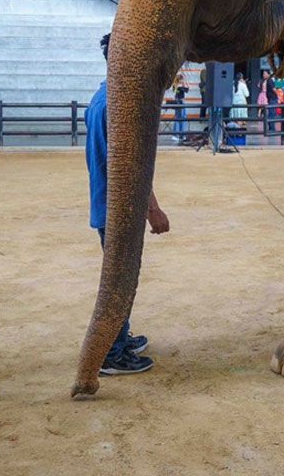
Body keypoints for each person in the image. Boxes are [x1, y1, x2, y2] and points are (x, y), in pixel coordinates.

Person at [85, 33, 170, 376]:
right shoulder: (116, 106)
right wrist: (154, 210)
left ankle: (120, 338)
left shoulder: (100, 96)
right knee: (121, 277)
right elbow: (130, 166)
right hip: (117, 207)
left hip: (106, 203)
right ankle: (112, 353)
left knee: (122, 273)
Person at [171, 72, 189, 141]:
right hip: (179, 102)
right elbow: (177, 90)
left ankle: (181, 134)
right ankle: (176, 134)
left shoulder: (180, 86)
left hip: (182, 102)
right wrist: (182, 85)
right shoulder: (177, 86)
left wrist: (185, 83)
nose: (183, 81)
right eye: (182, 79)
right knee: (179, 118)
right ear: (180, 79)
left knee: (182, 117)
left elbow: (187, 90)